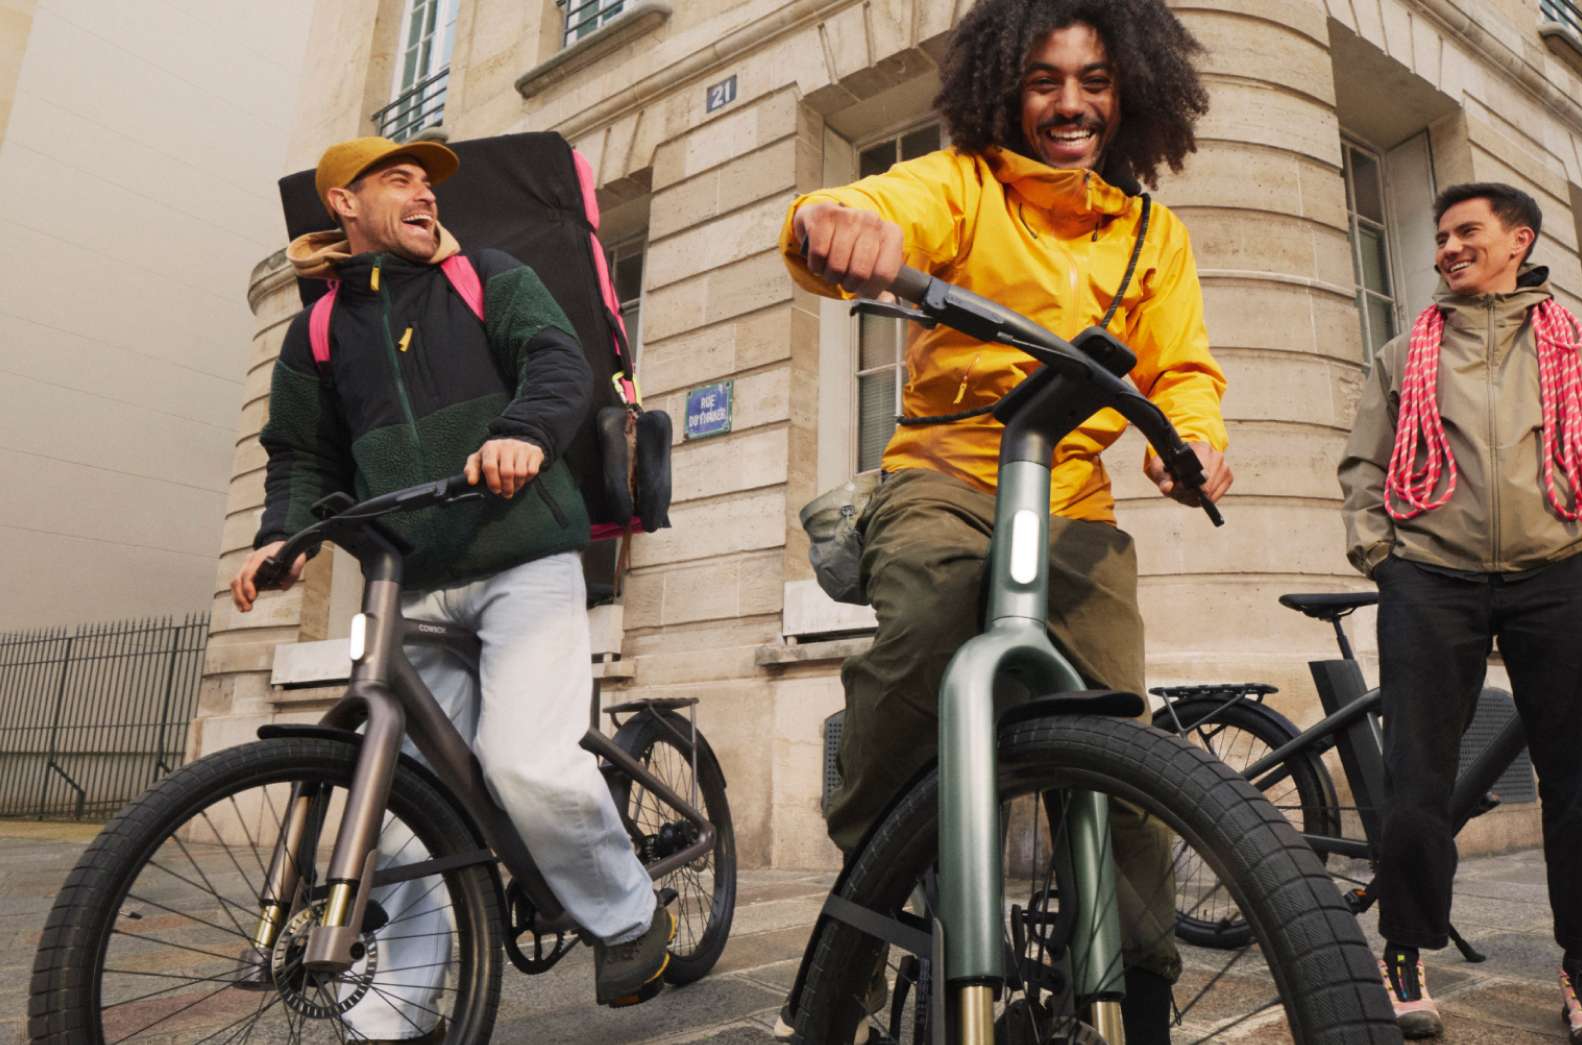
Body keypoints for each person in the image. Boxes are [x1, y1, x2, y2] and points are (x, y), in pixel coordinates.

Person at [777, 0, 1230, 1038]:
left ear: (1130, 92)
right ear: (1004, 89)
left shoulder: (1152, 235)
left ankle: (1138, 988)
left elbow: (1184, 368)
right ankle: (870, 884)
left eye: (1093, 80)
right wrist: (833, 223)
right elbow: (872, 206)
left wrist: (1194, 440)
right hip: (944, 472)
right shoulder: (962, 185)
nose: (1069, 102)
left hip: (1072, 495)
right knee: (932, 614)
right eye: (1042, 78)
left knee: (1122, 734)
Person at [231, 136, 674, 1030]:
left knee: (527, 764)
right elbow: (300, 455)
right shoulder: (317, 328)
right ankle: (396, 1012)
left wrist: (521, 433)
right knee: (401, 812)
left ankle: (633, 918)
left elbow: (558, 365)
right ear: (343, 205)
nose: (424, 192)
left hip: (523, 558)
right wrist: (283, 538)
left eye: (428, 182)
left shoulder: (489, 275)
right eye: (399, 179)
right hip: (410, 580)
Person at [1338, 182, 1582, 1044]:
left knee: (1580, 785)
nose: (1447, 247)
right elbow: (1363, 468)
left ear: (1517, 240)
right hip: (1431, 580)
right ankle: (1404, 950)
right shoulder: (1406, 351)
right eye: (1441, 235)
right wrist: (1385, 558)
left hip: (1562, 574)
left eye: (1466, 232)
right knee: (1415, 778)